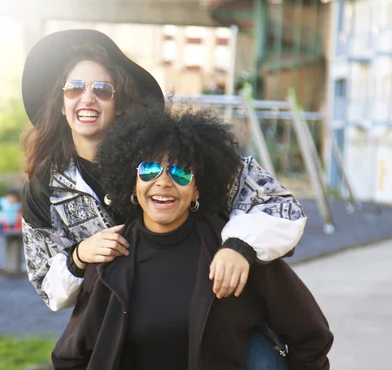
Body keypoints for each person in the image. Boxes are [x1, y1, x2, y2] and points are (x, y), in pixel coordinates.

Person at [20, 29, 307, 367]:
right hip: (126, 327)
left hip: (217, 317)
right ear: (61, 103)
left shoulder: (176, 153)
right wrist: (79, 256)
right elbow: (49, 289)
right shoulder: (44, 191)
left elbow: (283, 209)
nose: (87, 98)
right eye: (74, 88)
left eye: (102, 90)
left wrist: (238, 245)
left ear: (121, 103)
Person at [51, 106, 333, 369]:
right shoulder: (110, 257)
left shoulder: (237, 249)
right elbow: (71, 355)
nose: (163, 181)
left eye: (180, 172)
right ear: (132, 182)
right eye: (149, 169)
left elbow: (309, 337)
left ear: (198, 189)